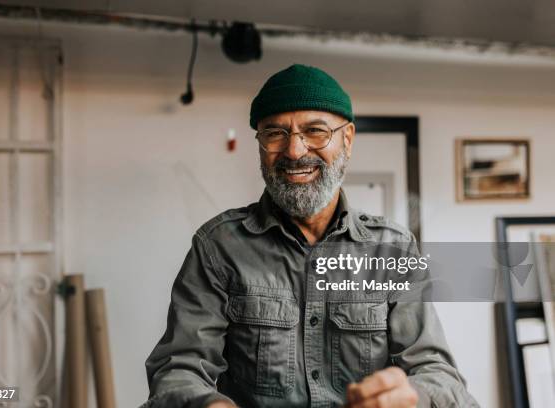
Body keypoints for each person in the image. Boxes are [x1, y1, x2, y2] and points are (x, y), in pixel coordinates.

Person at [143, 64, 478, 408]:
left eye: (315, 131)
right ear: (259, 144)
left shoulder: (392, 250)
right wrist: (207, 404)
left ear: (347, 140)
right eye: (275, 133)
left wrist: (414, 395)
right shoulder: (218, 247)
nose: (294, 151)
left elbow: (440, 376)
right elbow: (177, 371)